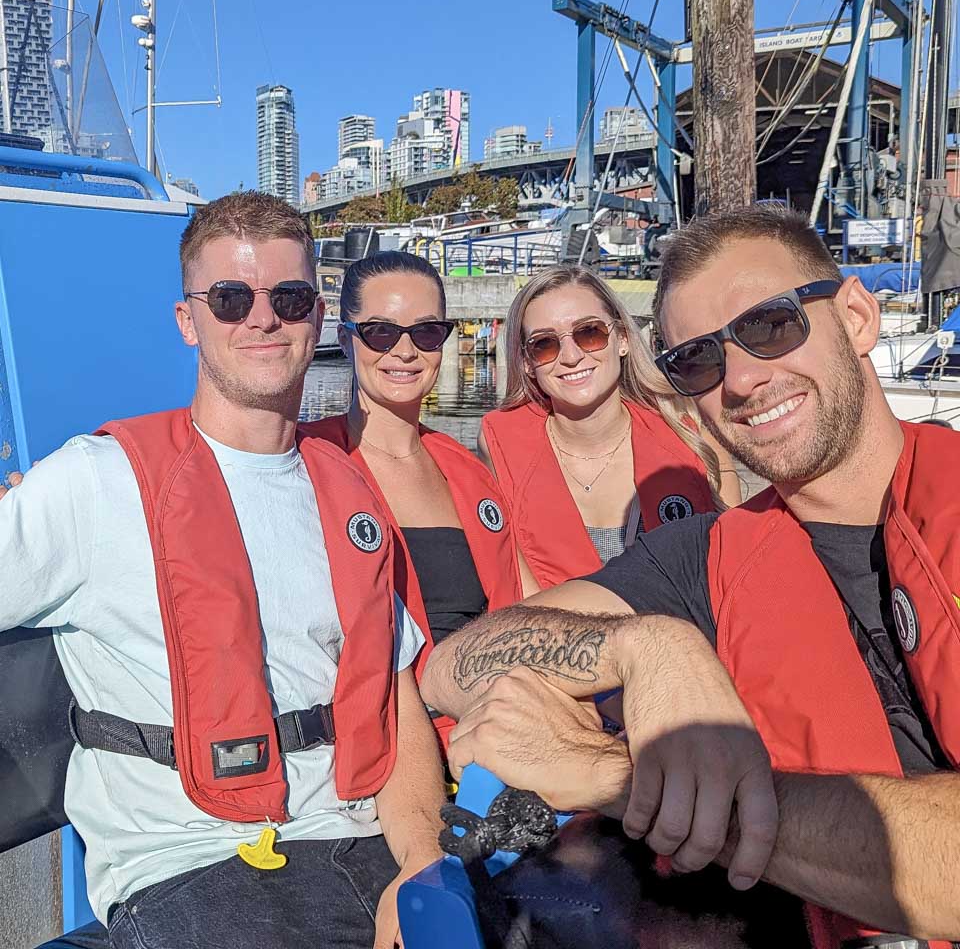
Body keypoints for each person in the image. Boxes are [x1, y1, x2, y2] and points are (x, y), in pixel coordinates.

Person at [422, 203, 960, 947]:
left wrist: (610, 772)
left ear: (859, 317)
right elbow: (451, 667)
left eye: (770, 326)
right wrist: (645, 648)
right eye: (699, 360)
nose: (740, 379)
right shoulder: (707, 555)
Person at [0, 193, 444, 949]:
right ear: (188, 320)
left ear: (317, 315)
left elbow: (393, 710)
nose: (263, 319)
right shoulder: (94, 484)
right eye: (232, 298)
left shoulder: (349, 491)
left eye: (290, 297)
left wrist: (422, 864)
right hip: (194, 866)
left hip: (368, 849)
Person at [306, 250, 524, 743]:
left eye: (426, 333)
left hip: (490, 724)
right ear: (346, 339)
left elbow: (525, 598)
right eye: (381, 332)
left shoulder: (466, 469)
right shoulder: (307, 462)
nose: (405, 351)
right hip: (377, 738)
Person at [478, 264, 741, 588]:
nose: (570, 356)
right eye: (544, 344)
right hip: (554, 634)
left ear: (623, 339)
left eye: (589, 333)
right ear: (527, 364)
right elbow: (513, 585)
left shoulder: (693, 433)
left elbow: (733, 576)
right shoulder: (499, 444)